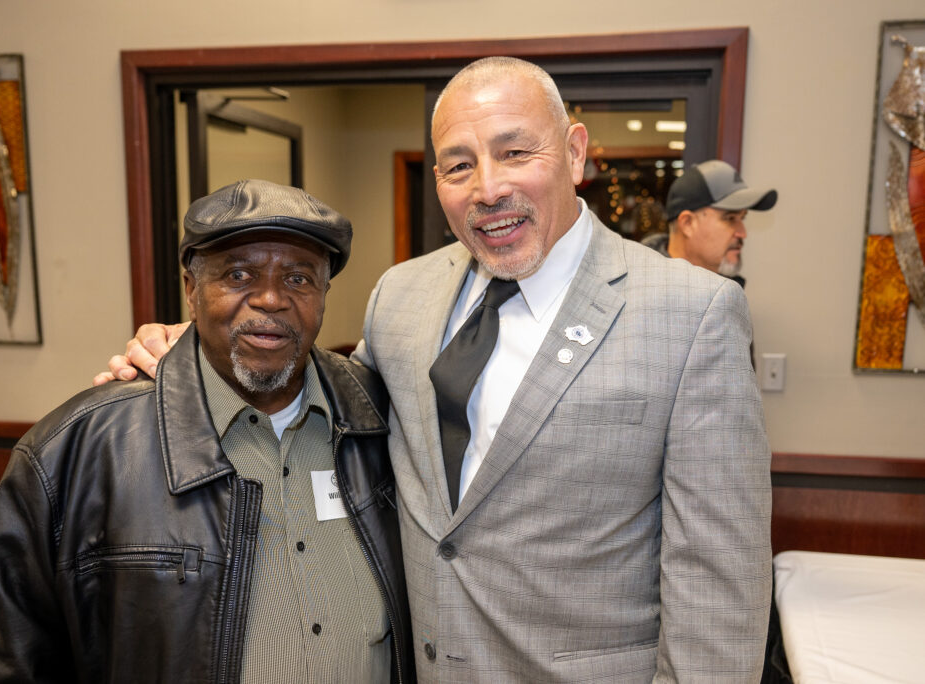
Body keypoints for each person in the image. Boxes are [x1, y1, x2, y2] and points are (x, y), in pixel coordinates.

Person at [104, 57, 772, 683]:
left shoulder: (692, 313)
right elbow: (331, 404)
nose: (489, 188)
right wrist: (201, 348)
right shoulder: (402, 295)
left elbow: (719, 585)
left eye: (516, 152)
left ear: (574, 153)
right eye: (458, 166)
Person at [0, 180, 414, 683]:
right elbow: (4, 666)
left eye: (299, 278)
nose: (271, 298)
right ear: (191, 291)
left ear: (323, 296)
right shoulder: (73, 453)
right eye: (238, 274)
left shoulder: (383, 419)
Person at [642, 159, 777, 287]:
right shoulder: (641, 292)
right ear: (688, 223)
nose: (743, 233)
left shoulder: (728, 292)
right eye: (730, 218)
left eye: (742, 218)